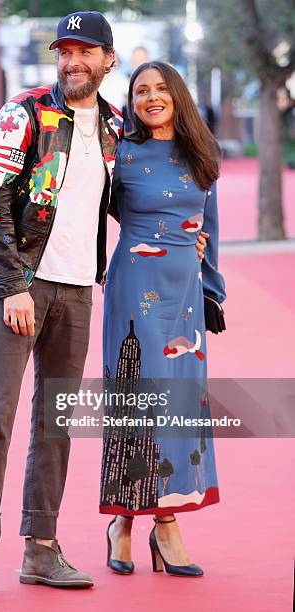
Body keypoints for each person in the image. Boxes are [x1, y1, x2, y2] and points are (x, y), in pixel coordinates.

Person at [0, 12, 207, 596]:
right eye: (64, 51)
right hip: (23, 285)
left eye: (85, 52)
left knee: (56, 423)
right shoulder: (25, 112)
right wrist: (9, 283)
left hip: (78, 291)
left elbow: (132, 203)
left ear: (107, 60)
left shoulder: (118, 128)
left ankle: (41, 550)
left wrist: (179, 235)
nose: (73, 61)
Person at [100, 61, 226, 578]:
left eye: (159, 89)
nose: (151, 97)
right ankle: (126, 521)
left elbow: (210, 227)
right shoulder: (121, 154)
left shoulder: (202, 154)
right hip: (135, 289)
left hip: (186, 297)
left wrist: (214, 290)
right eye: (140, 91)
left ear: (176, 95)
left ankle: (166, 518)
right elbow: (94, 208)